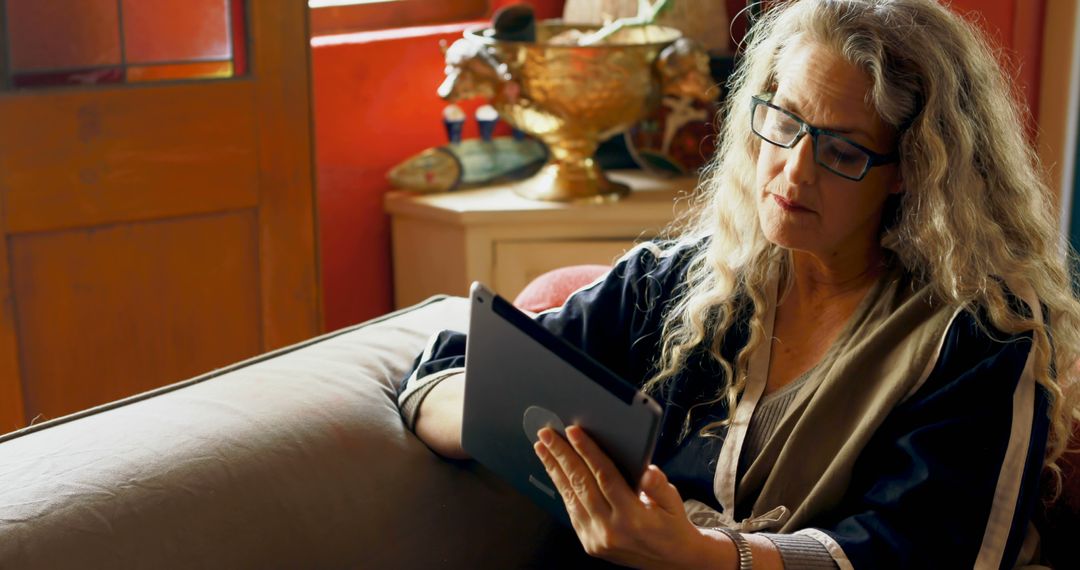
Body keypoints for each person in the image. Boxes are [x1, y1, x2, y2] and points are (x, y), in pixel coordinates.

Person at [396, 0, 1080, 567]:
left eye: (841, 150)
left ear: (912, 167)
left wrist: (703, 556)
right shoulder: (673, 283)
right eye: (783, 123)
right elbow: (447, 370)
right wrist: (540, 443)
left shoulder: (980, 339)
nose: (792, 171)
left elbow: (927, 551)